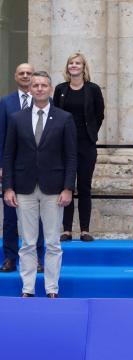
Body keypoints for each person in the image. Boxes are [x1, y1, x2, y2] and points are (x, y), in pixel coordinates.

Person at [3, 71, 77, 298]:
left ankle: (52, 289)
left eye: (44, 85)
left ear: (50, 88)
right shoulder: (17, 118)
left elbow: (71, 156)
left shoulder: (64, 118)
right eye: (35, 85)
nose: (39, 89)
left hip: (54, 189)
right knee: (27, 242)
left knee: (53, 242)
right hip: (24, 188)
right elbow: (9, 155)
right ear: (30, 89)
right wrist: (7, 187)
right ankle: (28, 289)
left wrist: (67, 188)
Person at [54, 53, 105, 242]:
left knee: (84, 185)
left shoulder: (93, 89)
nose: (74, 66)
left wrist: (90, 132)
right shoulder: (60, 89)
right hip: (63, 144)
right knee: (66, 185)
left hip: (86, 144)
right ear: (67, 67)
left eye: (78, 63)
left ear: (84, 67)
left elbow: (99, 114)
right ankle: (66, 229)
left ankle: (84, 229)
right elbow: (55, 114)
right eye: (71, 63)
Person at [0, 63, 44, 273]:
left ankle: (37, 258)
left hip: (38, 170)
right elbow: (1, 136)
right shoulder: (5, 102)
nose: (25, 76)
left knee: (39, 217)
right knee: (10, 217)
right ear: (15, 76)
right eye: (22, 73)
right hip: (12, 168)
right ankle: (9, 258)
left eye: (29, 73)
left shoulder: (45, 102)